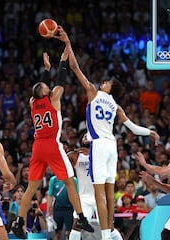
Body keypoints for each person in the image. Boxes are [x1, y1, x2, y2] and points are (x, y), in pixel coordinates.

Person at [60, 26, 160, 240]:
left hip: (98, 145)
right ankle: (109, 231)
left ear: (109, 88)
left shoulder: (94, 93)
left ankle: (106, 236)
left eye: (107, 82)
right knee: (108, 192)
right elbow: (133, 127)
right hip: (112, 147)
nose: (103, 82)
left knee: (99, 195)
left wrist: (68, 44)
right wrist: (150, 131)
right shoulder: (116, 106)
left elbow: (75, 68)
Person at [11, 41, 94, 239]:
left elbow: (38, 89)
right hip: (52, 145)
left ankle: (18, 221)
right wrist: (62, 62)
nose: (50, 87)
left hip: (37, 146)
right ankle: (81, 217)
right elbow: (61, 82)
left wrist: (46, 70)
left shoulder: (33, 103)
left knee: (31, 187)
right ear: (46, 92)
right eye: (47, 86)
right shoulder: (53, 98)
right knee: (70, 182)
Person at [67, 133, 122, 240]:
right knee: (77, 225)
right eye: (84, 136)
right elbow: (63, 159)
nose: (86, 137)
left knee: (109, 228)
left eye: (89, 135)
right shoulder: (75, 155)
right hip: (84, 198)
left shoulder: (102, 155)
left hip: (101, 197)